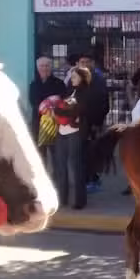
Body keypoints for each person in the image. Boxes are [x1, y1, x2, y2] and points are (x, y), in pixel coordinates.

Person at [52, 66, 92, 210]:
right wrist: (60, 109)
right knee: (61, 166)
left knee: (75, 166)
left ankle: (79, 200)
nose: (72, 79)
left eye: (75, 76)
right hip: (62, 131)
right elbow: (63, 107)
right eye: (71, 76)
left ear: (82, 77)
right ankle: (62, 198)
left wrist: (58, 110)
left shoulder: (86, 92)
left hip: (75, 132)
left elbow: (76, 111)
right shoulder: (70, 90)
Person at [76, 53, 109, 194]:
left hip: (94, 123)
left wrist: (98, 122)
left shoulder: (98, 79)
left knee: (93, 152)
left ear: (92, 63)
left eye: (87, 61)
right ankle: (84, 179)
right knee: (81, 153)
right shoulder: (75, 77)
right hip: (78, 124)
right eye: (82, 62)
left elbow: (103, 102)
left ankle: (93, 179)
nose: (84, 64)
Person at [29, 56, 66, 145]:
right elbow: (33, 101)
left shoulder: (59, 83)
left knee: (55, 150)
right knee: (39, 151)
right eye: (42, 66)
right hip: (38, 120)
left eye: (47, 66)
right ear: (38, 68)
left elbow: (63, 100)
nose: (44, 68)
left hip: (55, 121)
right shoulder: (33, 84)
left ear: (51, 67)